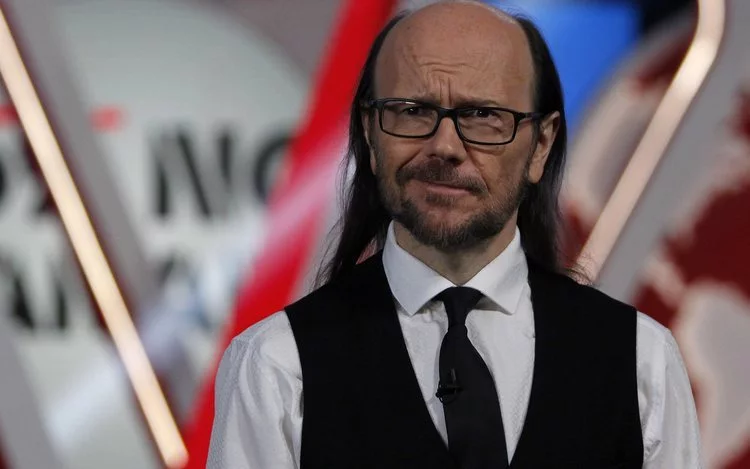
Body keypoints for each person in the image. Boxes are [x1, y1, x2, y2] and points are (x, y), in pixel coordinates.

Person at [207, 1, 703, 468]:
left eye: (483, 115)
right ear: (371, 136)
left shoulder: (642, 362)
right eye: (412, 110)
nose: (445, 146)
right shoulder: (276, 363)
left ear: (541, 145)